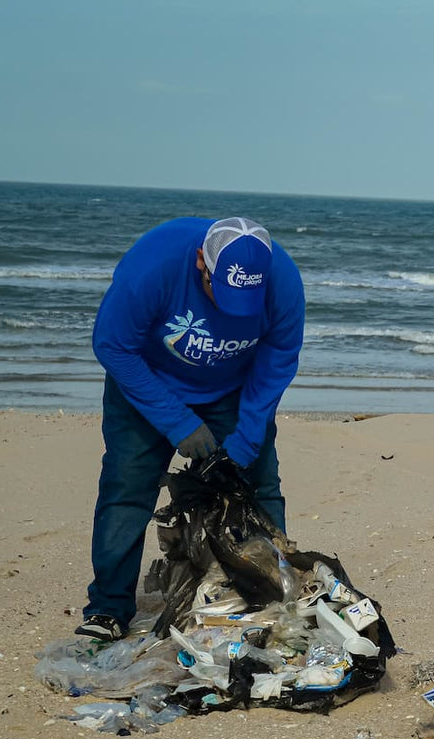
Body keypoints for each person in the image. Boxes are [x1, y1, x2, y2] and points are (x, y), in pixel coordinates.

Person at [76, 217, 306, 644]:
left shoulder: (283, 281)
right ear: (202, 261)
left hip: (233, 390)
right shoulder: (152, 266)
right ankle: (108, 607)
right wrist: (177, 421)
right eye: (221, 294)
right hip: (146, 382)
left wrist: (248, 434)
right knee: (127, 489)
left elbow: (278, 358)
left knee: (258, 486)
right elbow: (112, 345)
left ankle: (270, 596)